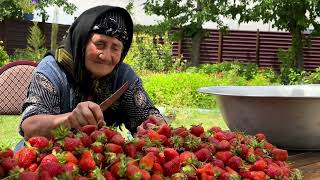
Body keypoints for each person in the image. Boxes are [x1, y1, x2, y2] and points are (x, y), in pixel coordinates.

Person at [18, 5, 165, 142]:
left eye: (115, 48)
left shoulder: (124, 76)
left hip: (100, 162)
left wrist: (155, 124)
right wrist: (69, 120)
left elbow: (146, 115)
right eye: (99, 44)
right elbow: (29, 128)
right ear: (82, 42)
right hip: (48, 159)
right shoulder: (53, 69)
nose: (106, 56)